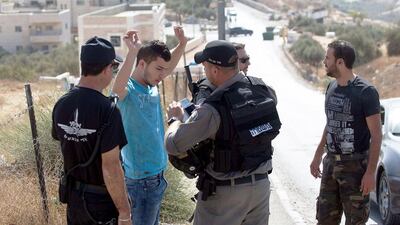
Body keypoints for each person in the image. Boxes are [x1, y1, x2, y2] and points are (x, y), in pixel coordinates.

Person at [165, 40, 281, 225]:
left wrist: (175, 120)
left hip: (225, 195)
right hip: (261, 187)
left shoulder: (213, 107)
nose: (204, 72)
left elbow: (173, 144)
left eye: (205, 67)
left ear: (215, 70)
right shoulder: (263, 89)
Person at [52, 36, 132, 225]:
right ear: (107, 68)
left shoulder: (61, 104)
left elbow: (65, 144)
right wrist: (125, 213)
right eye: (113, 68)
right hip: (101, 203)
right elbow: (111, 167)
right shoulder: (108, 110)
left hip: (74, 199)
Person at [112, 26, 187, 225]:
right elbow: (116, 90)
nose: (163, 75)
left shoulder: (151, 84)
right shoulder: (128, 89)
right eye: (158, 69)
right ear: (142, 64)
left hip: (156, 177)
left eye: (164, 70)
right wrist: (132, 52)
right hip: (141, 181)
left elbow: (167, 66)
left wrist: (182, 44)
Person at [310, 40, 382, 225]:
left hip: (356, 168)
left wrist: (370, 173)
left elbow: (376, 135)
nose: (324, 61)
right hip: (331, 165)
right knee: (325, 220)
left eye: (328, 58)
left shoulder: (366, 92)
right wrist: (318, 155)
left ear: (340, 62)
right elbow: (330, 123)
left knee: (355, 221)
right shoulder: (331, 88)